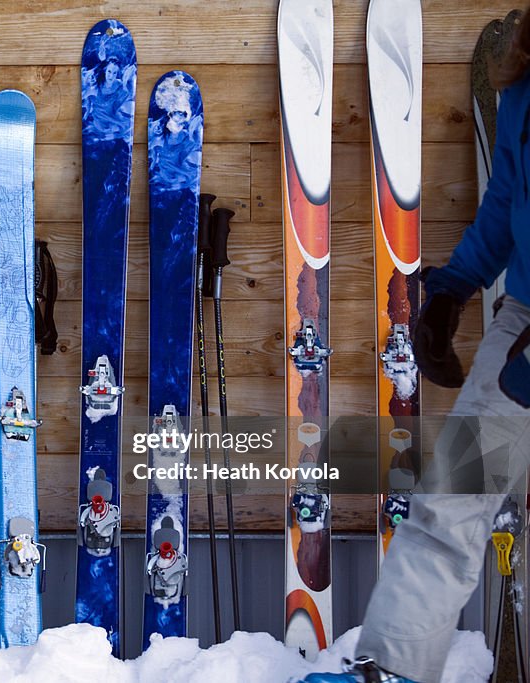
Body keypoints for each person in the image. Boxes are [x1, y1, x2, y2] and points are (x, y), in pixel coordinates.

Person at [302, 11, 530, 683]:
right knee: (452, 502)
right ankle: (393, 668)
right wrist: (455, 287)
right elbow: (509, 200)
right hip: (523, 319)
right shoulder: (523, 92)